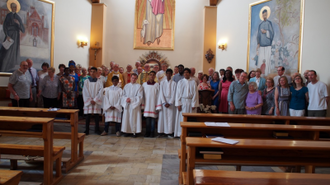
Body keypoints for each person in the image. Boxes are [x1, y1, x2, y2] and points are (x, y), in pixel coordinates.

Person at [0, 2, 25, 72]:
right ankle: (3, 68)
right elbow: (5, 26)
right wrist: (7, 35)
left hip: (16, 36)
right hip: (9, 35)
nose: (15, 8)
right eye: (13, 7)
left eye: (15, 7)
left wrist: (18, 23)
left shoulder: (18, 17)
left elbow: (23, 29)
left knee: (13, 52)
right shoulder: (8, 16)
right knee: (6, 52)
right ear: (11, 8)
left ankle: (11, 67)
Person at [174, 68, 199, 137]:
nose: (185, 74)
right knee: (182, 118)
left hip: (190, 102)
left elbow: (195, 94)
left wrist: (194, 103)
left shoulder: (193, 82)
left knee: (190, 119)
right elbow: (178, 94)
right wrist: (178, 104)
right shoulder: (180, 82)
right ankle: (181, 133)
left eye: (187, 72)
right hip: (182, 102)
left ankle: (190, 133)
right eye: (184, 72)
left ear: (190, 73)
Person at [83, 67, 104, 135]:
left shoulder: (99, 82)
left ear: (96, 73)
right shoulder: (86, 81)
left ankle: (97, 129)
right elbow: (85, 91)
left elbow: (100, 92)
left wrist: (95, 100)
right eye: (91, 71)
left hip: (95, 101)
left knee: (96, 115)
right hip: (89, 101)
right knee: (88, 115)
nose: (92, 73)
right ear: (89, 72)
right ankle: (87, 130)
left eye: (94, 72)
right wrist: (90, 100)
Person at [157, 69, 176, 137]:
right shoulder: (162, 83)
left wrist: (170, 102)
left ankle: (170, 132)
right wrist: (164, 102)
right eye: (167, 73)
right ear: (165, 74)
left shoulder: (174, 83)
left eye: (169, 73)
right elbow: (161, 93)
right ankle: (162, 131)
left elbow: (174, 93)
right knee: (163, 117)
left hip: (171, 102)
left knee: (171, 117)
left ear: (171, 74)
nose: (168, 75)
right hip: (164, 102)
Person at [256, 9, 274, 76]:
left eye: (265, 14)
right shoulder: (260, 24)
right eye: (263, 14)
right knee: (261, 60)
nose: (264, 15)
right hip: (262, 45)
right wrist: (258, 43)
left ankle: (266, 73)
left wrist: (266, 32)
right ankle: (261, 74)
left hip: (268, 44)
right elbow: (258, 35)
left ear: (267, 14)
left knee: (267, 59)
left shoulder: (269, 23)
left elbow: (272, 33)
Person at [142, 71, 160, 138]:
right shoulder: (144, 85)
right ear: (148, 76)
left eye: (153, 75)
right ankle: (147, 132)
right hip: (147, 104)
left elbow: (159, 95)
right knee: (147, 119)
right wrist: (143, 104)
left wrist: (158, 105)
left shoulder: (157, 85)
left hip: (153, 104)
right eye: (150, 75)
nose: (152, 76)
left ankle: (152, 132)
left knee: (153, 119)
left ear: (155, 76)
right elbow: (142, 95)